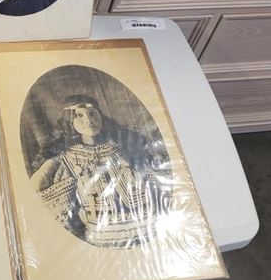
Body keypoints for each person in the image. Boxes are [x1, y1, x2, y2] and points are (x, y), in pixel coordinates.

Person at [32, 95, 171, 248]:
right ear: (69, 121)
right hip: (101, 242)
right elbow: (49, 207)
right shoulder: (64, 160)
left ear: (101, 115)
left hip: (150, 234)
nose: (88, 120)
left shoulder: (126, 147)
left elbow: (161, 183)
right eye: (79, 115)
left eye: (92, 113)